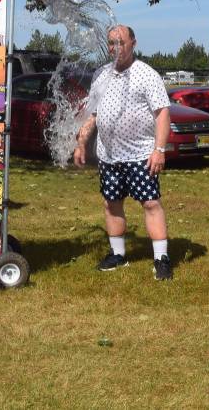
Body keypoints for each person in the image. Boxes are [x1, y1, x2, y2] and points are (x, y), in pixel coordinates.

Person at [73, 24, 173, 281]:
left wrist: (159, 150)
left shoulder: (146, 74)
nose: (115, 48)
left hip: (141, 154)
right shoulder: (101, 75)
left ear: (133, 43)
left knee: (150, 203)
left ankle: (161, 259)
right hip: (108, 155)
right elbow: (92, 114)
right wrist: (81, 143)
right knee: (111, 204)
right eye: (111, 43)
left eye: (121, 42)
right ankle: (118, 255)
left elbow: (162, 113)